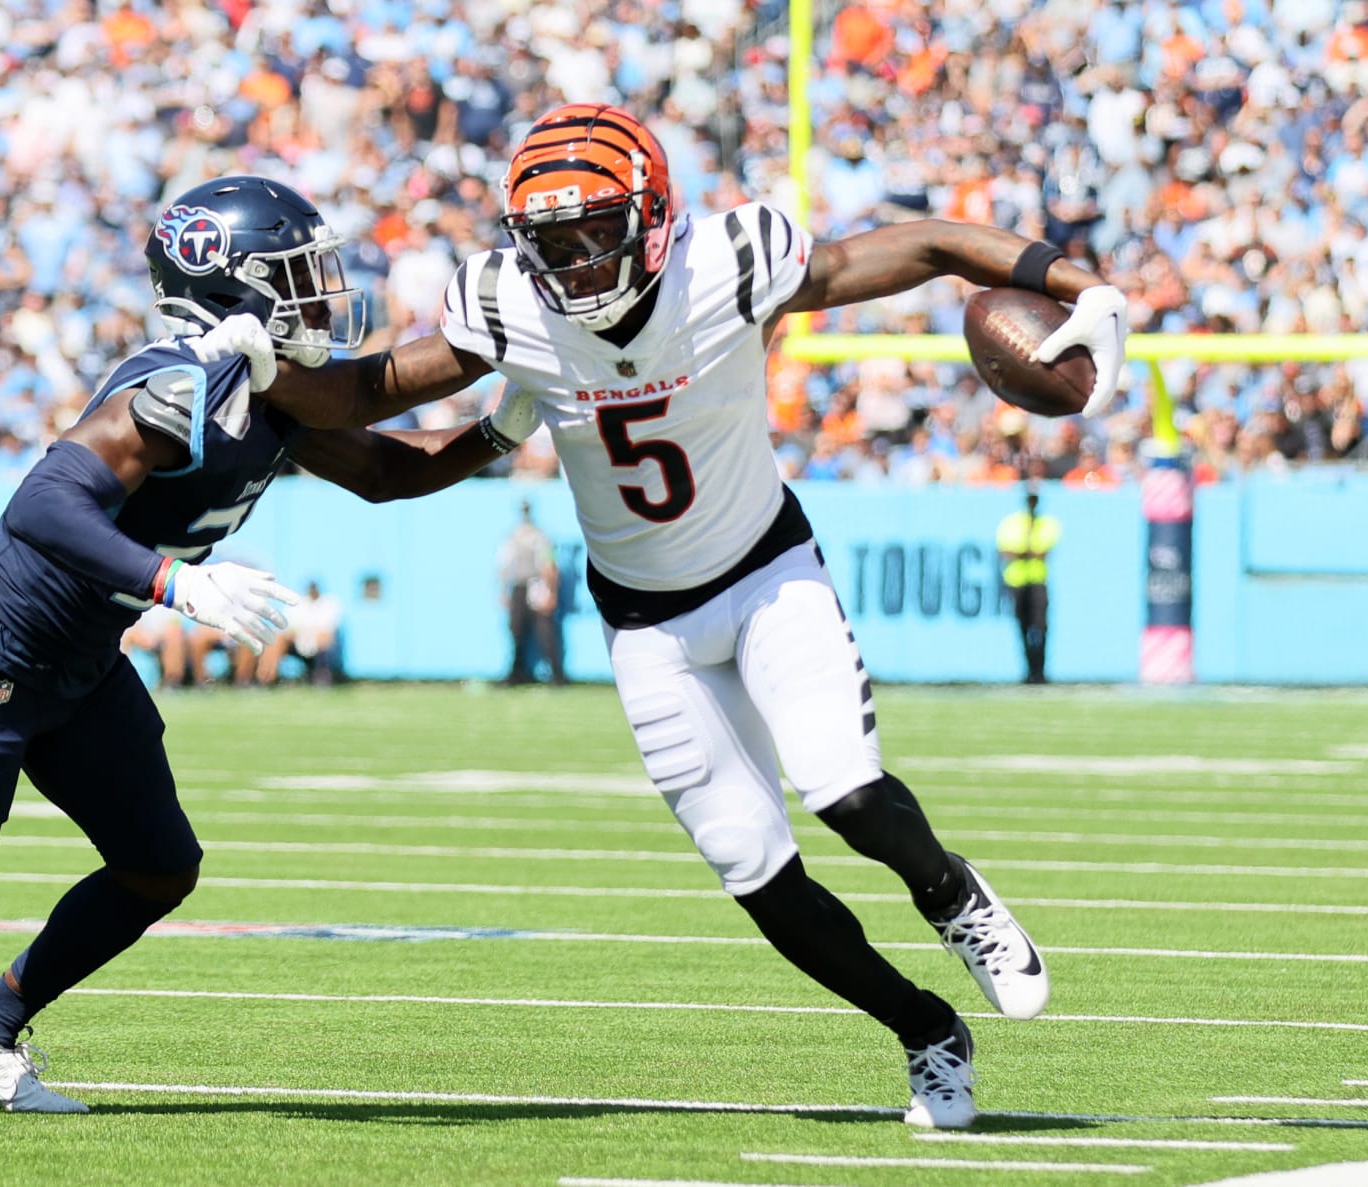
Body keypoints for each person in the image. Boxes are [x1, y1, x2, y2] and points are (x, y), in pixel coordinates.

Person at [249, 104, 1130, 1129]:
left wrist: (1080, 281)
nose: (574, 267)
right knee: (756, 869)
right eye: (550, 245)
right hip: (647, 625)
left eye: (594, 237)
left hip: (766, 572)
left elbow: (932, 246)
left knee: (842, 788)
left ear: (655, 217)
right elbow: (362, 399)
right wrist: (251, 369)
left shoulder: (731, 263)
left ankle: (952, 895)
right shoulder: (505, 305)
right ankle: (925, 1028)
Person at [0, 176, 541, 1113]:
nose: (319, 294)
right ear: (228, 284)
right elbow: (43, 504)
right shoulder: (177, 383)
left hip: (80, 670)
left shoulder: (269, 386)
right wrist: (177, 582)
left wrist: (500, 417)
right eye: (294, 274)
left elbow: (377, 444)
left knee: (159, 864)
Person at [497, 500, 566, 685]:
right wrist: (504, 590)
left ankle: (557, 675)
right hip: (519, 586)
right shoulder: (514, 535)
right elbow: (505, 565)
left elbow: (549, 565)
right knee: (516, 630)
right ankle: (517, 672)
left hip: (536, 583)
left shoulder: (540, 536)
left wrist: (550, 590)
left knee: (545, 631)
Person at [997, 487, 1062, 684]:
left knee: (1040, 626)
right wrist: (1027, 551)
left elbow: (1042, 552)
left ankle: (1039, 670)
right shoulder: (1013, 523)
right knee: (1023, 626)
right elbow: (1007, 552)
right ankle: (1028, 670)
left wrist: (1023, 552)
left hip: (1037, 581)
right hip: (1017, 582)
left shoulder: (1045, 524)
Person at [257, 579, 344, 685]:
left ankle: (322, 676)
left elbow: (327, 630)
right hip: (298, 642)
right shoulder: (299, 604)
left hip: (318, 644)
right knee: (277, 639)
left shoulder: (329, 603)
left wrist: (307, 634)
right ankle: (266, 676)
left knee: (323, 640)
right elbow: (289, 628)